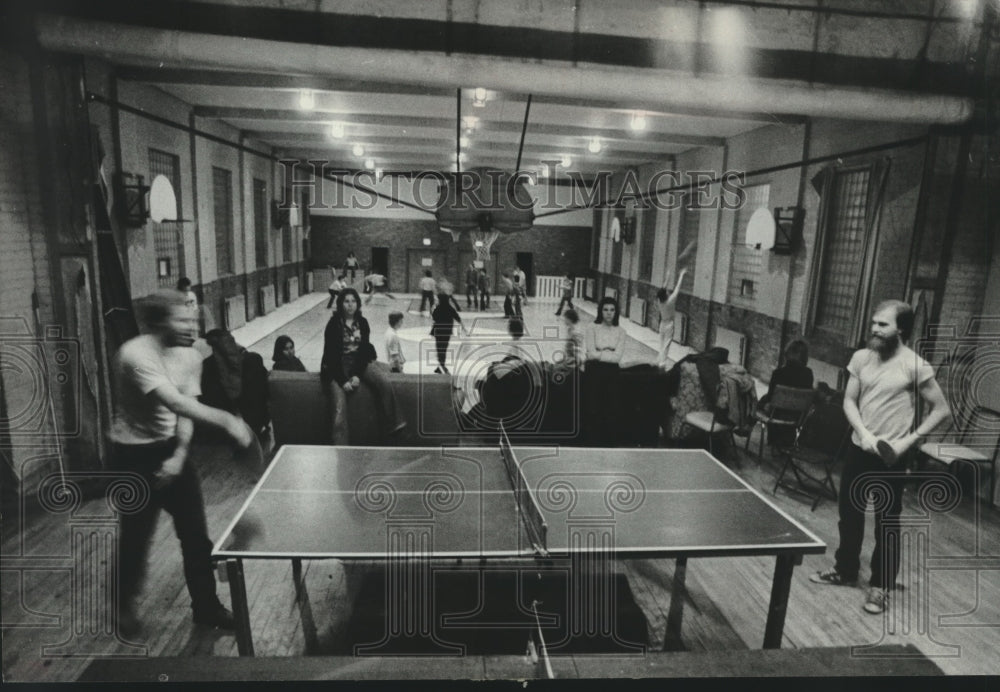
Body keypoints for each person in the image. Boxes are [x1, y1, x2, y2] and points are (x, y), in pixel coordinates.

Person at [109, 290, 254, 636]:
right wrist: (228, 421)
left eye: (193, 318)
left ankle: (205, 607)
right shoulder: (134, 354)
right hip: (133, 458)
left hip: (170, 449)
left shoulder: (190, 357)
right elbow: (175, 402)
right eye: (184, 320)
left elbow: (185, 413)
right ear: (160, 323)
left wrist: (178, 455)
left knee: (196, 536)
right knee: (136, 539)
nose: (193, 325)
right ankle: (122, 604)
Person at [810, 300, 949, 615]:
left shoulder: (915, 366)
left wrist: (906, 444)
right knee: (850, 516)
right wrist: (866, 434)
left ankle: (880, 587)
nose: (874, 328)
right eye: (873, 322)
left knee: (887, 523)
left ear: (901, 328)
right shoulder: (861, 358)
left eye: (882, 324)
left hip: (892, 459)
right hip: (860, 450)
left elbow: (942, 410)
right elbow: (849, 401)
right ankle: (845, 571)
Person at [321, 288, 407, 444]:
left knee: (384, 383)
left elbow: (363, 352)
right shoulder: (333, 324)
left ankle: (396, 424)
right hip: (337, 366)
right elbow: (330, 356)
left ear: (358, 304)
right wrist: (342, 381)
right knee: (339, 410)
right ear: (340, 304)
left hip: (358, 363)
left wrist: (356, 375)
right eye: (346, 301)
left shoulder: (363, 323)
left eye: (353, 301)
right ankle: (342, 449)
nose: (350, 305)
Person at [585, 297, 627, 446]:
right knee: (593, 406)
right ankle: (591, 441)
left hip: (612, 372)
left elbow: (617, 358)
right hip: (594, 370)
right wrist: (609, 352)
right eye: (605, 309)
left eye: (612, 310)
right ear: (600, 311)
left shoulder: (621, 332)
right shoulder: (591, 328)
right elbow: (590, 354)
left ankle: (608, 443)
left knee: (611, 407)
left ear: (616, 312)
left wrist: (600, 352)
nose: (609, 313)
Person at [759, 339, 814, 447]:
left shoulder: (778, 373)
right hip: (797, 416)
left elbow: (770, 398)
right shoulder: (808, 373)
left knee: (760, 401)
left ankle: (747, 426)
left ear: (788, 354)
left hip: (776, 414)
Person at [430, 284, 467, 374]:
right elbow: (457, 317)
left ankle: (441, 365)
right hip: (446, 331)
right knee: (444, 348)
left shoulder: (438, 308)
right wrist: (463, 327)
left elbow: (433, 317)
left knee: (439, 348)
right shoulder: (450, 308)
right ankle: (441, 365)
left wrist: (433, 307)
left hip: (438, 331)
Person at [655, 268, 687, 369]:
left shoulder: (659, 301)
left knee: (661, 343)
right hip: (669, 325)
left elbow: (663, 289)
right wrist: (681, 275)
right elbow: (677, 287)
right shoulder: (670, 301)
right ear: (666, 294)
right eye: (667, 292)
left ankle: (659, 360)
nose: (668, 291)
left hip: (662, 324)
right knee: (666, 345)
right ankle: (662, 363)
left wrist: (668, 277)